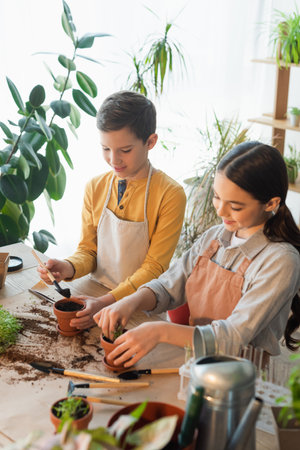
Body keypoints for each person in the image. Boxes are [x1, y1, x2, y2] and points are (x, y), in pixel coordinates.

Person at [94, 141, 300, 368]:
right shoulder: (214, 237)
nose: (220, 210)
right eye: (217, 196)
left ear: (271, 203)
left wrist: (159, 330)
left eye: (236, 206)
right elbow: (168, 287)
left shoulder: (281, 261)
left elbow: (231, 336)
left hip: (241, 378)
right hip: (196, 362)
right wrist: (132, 300)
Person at [38, 91, 186, 328]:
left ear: (150, 142)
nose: (113, 159)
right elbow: (88, 250)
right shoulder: (95, 187)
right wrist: (68, 267)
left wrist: (107, 302)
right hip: (93, 295)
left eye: (125, 150)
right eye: (105, 148)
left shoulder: (170, 194)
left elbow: (154, 268)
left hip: (140, 307)